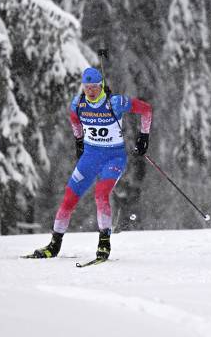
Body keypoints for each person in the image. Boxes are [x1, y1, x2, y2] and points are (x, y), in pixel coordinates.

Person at [27, 67, 152, 260]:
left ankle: (104, 243)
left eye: (94, 87)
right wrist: (79, 141)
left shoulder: (115, 102)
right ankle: (54, 245)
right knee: (69, 199)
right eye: (87, 87)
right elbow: (74, 121)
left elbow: (146, 110)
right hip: (90, 158)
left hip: (113, 159)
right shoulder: (78, 104)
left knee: (101, 194)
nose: (91, 91)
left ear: (101, 85)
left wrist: (144, 137)